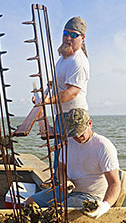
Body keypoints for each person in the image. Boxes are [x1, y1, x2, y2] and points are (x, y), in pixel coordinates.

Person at [25, 108, 121, 219]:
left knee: (53, 215)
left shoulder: (103, 146)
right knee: (30, 202)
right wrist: (65, 181)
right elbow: (60, 170)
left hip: (90, 196)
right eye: (73, 134)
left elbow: (115, 183)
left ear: (90, 123)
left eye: (80, 133)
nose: (77, 137)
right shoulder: (68, 143)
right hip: (68, 191)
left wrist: (104, 206)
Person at [34, 16, 90, 178]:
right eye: (66, 33)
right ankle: (58, 184)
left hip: (74, 116)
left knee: (70, 158)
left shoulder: (78, 61)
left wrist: (45, 101)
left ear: (82, 38)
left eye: (74, 35)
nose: (68, 37)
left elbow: (72, 92)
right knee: (60, 155)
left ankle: (68, 190)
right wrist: (51, 87)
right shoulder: (64, 57)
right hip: (62, 114)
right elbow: (62, 82)